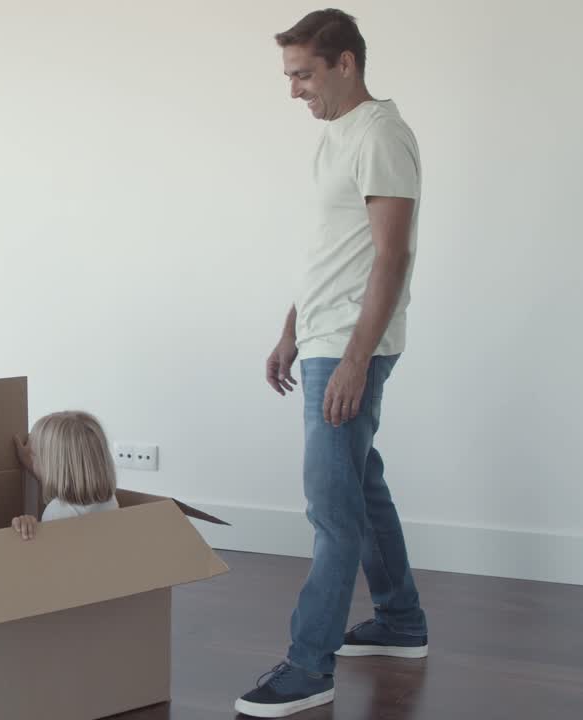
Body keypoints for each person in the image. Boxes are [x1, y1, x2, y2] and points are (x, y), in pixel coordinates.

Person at [235, 9, 430, 718]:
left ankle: (308, 666)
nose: (294, 91)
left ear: (345, 62)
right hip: (323, 338)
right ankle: (401, 622)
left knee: (331, 509)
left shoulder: (380, 135)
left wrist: (354, 359)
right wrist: (292, 327)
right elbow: (334, 250)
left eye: (303, 75)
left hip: (351, 347)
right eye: (289, 76)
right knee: (359, 488)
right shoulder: (335, 137)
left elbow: (390, 255)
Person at [9, 410, 119, 540]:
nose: (31, 460)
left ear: (51, 468)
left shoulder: (58, 511)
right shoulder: (109, 500)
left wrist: (30, 528)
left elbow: (47, 554)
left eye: (34, 455)